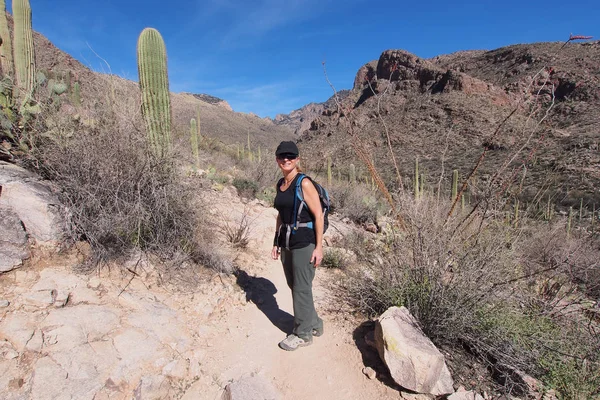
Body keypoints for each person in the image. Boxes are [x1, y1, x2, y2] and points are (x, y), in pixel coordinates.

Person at [271, 141, 324, 351]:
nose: (286, 159)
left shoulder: (304, 183)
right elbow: (280, 216)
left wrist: (319, 247)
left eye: (291, 156)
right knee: (296, 286)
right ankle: (315, 324)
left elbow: (318, 214)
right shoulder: (281, 184)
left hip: (304, 242)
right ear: (277, 159)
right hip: (286, 241)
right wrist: (276, 242)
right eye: (282, 156)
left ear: (297, 159)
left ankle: (302, 334)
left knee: (301, 288)